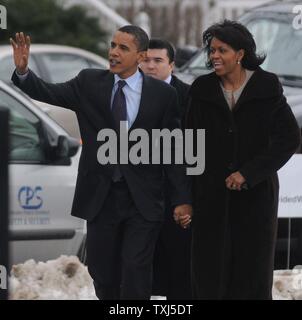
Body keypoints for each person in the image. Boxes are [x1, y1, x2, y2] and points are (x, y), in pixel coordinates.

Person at [10, 26, 192, 300]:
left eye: (123, 48)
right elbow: (49, 92)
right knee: (103, 273)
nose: (114, 53)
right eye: (112, 45)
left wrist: (181, 199)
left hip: (143, 200)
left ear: (140, 56)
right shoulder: (89, 82)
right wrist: (24, 72)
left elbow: (173, 150)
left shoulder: (163, 95)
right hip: (101, 197)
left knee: (136, 269)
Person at [186, 20, 301, 300]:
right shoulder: (201, 89)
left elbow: (288, 138)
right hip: (209, 199)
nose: (213, 56)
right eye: (211, 50)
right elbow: (187, 145)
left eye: (221, 50)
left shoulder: (267, 86)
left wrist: (249, 173)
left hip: (256, 199)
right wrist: (185, 197)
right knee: (209, 275)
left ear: (240, 54)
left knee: (251, 275)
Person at [140, 39, 192, 299]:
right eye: (146, 60)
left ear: (171, 65)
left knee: (179, 267)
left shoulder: (189, 97)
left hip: (176, 195)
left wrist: (184, 198)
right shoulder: (129, 93)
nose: (150, 66)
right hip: (139, 195)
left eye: (157, 61)